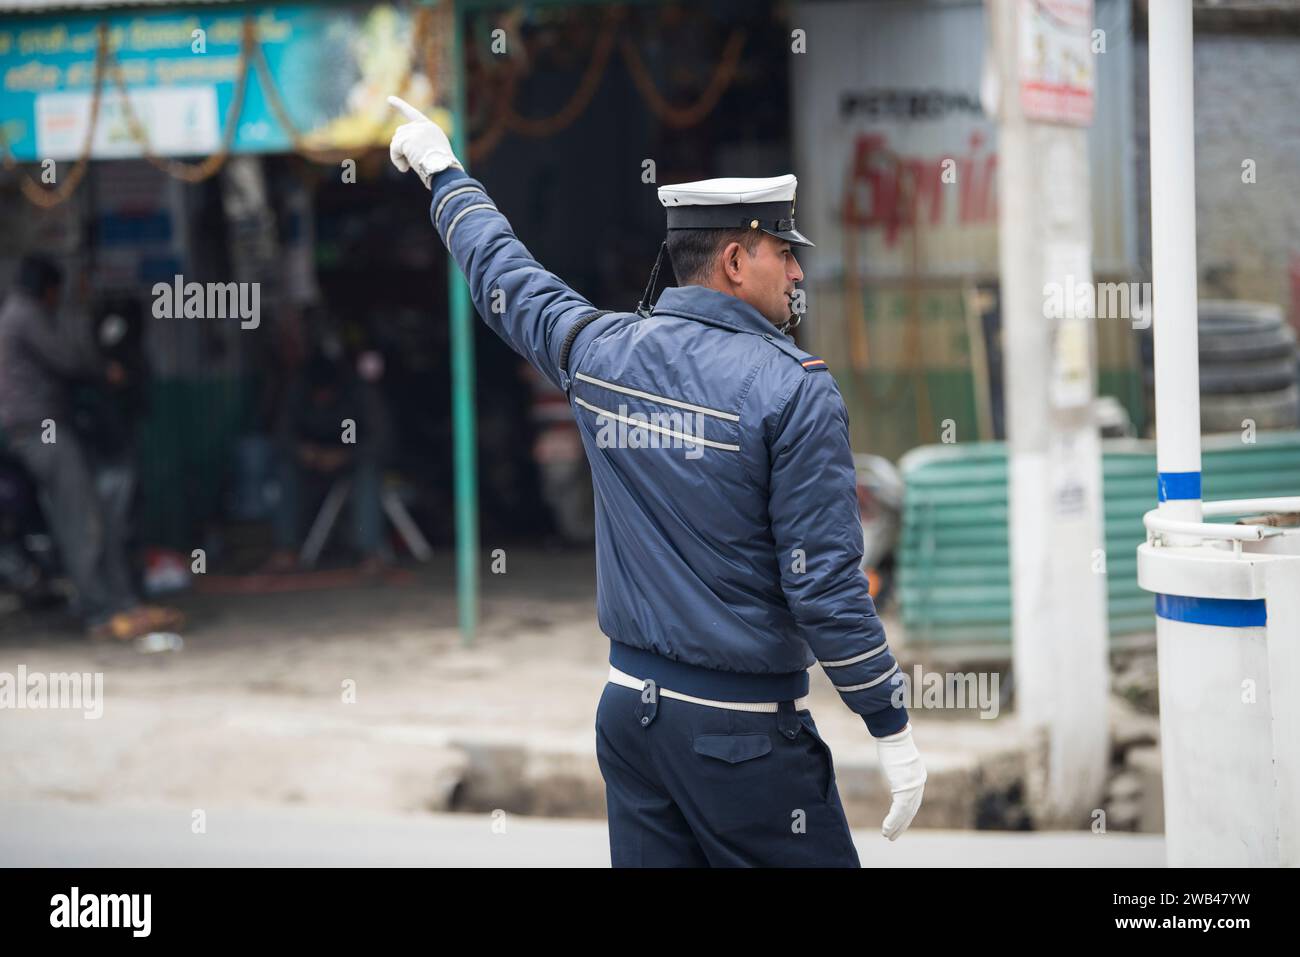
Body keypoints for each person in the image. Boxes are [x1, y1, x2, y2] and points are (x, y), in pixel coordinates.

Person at [388, 97, 926, 867]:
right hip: (741, 740)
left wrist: (445, 176)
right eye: (785, 250)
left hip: (631, 723)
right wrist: (889, 721)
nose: (799, 270)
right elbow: (826, 588)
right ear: (737, 260)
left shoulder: (601, 353)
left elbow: (506, 277)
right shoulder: (794, 390)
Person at [0, 255, 183, 640]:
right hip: (42, 430)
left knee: (87, 515)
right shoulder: (26, 313)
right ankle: (101, 611)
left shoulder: (16, 313)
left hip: (37, 429)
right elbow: (67, 359)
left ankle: (117, 603)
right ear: (48, 289)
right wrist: (106, 371)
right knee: (84, 522)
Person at [263, 342, 392, 574]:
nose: (323, 398)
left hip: (351, 462)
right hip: (310, 463)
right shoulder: (298, 391)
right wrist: (304, 451)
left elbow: (380, 438)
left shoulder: (360, 392)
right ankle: (285, 551)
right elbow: (281, 435)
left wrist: (346, 455)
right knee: (285, 471)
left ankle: (369, 554)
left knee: (368, 474)